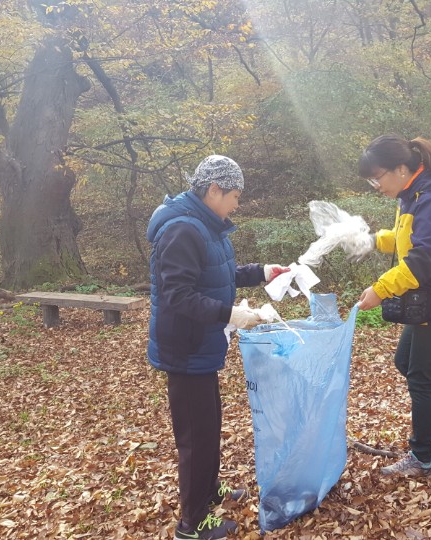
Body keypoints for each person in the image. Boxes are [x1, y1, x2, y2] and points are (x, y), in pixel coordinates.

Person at [146, 155, 289, 539]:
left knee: (209, 426)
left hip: (202, 347)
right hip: (186, 348)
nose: (237, 204)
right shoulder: (182, 230)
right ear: (214, 190)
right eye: (235, 196)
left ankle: (209, 492)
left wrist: (262, 273)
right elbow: (178, 295)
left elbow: (217, 274)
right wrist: (232, 315)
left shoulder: (206, 226)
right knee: (196, 437)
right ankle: (191, 524)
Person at [355, 134, 431, 477]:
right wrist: (371, 240)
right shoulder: (413, 194)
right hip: (429, 301)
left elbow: (422, 260)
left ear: (400, 168)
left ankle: (423, 458)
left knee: (421, 378)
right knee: (405, 362)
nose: (376, 186)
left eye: (377, 178)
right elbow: (407, 237)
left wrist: (380, 290)